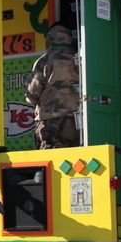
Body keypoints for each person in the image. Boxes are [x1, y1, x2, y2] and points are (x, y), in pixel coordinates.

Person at [24, 22, 80, 150]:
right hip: (78, 120)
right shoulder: (82, 58)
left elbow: (32, 94)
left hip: (51, 121)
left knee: (52, 162)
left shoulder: (45, 60)